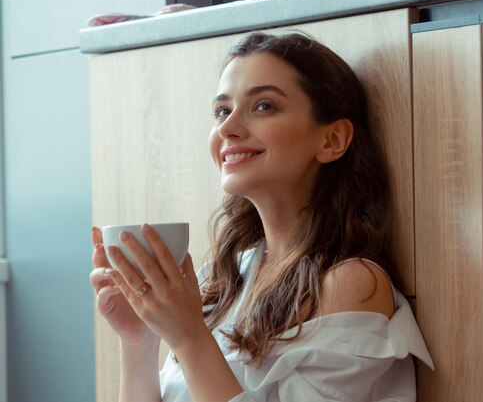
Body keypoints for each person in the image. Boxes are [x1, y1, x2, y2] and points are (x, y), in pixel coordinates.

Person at [90, 31, 433, 402]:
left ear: (332, 139)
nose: (227, 128)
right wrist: (140, 339)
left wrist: (189, 336)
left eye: (263, 106)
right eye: (222, 110)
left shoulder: (352, 285)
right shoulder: (222, 281)